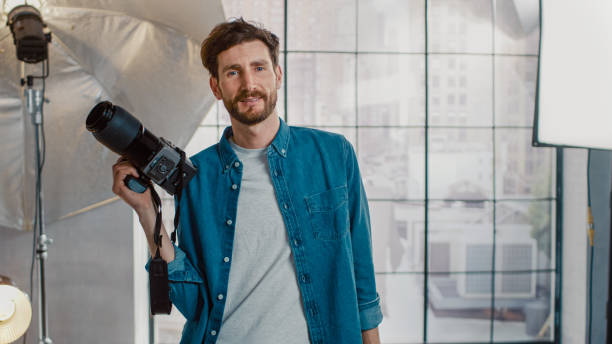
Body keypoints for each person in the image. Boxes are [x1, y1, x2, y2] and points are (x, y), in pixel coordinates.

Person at [112, 18, 382, 344]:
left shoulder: (334, 155)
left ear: (277, 76)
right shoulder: (197, 177)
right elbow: (194, 303)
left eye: (259, 68)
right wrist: (147, 214)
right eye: (233, 72)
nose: (248, 83)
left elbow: (361, 277)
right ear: (216, 87)